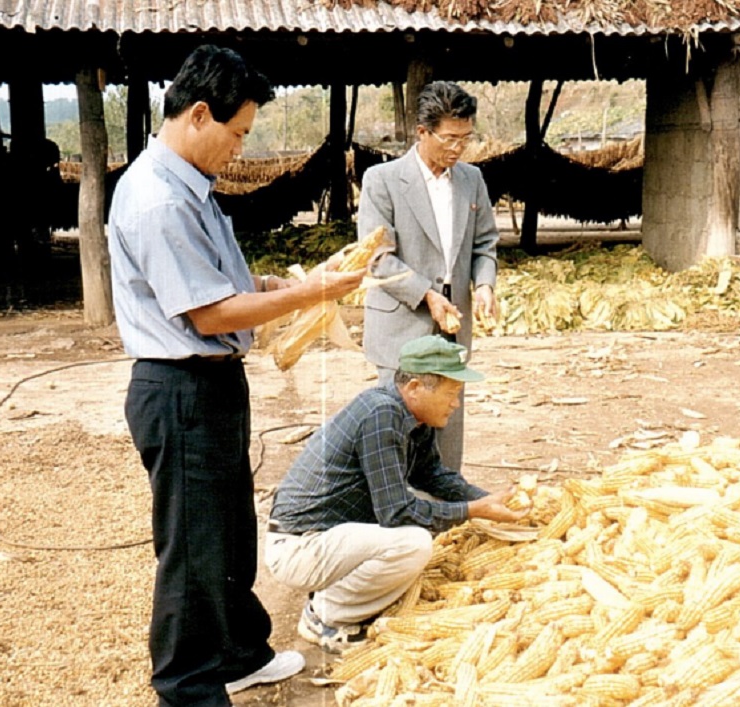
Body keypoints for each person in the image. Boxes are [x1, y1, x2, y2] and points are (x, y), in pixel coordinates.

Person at [107, 44, 365, 707]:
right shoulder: (157, 198)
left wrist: (269, 284)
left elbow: (219, 283)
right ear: (199, 115)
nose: (240, 148)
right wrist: (311, 294)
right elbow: (212, 310)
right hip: (178, 388)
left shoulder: (189, 188)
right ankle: (187, 686)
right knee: (193, 548)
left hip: (214, 384)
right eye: (239, 132)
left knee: (227, 529)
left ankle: (239, 653)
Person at [265, 335, 525, 654]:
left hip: (329, 538)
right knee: (413, 543)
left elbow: (432, 475)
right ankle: (324, 616)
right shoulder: (381, 414)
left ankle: (336, 597)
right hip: (298, 546)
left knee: (426, 516)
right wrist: (474, 510)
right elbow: (396, 512)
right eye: (451, 393)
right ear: (415, 388)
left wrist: (487, 498)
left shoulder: (414, 417)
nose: (456, 403)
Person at [357, 80, 500, 473]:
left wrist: (484, 284)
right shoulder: (382, 181)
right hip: (403, 329)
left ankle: (448, 517)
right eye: (449, 139)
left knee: (447, 425)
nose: (457, 149)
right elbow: (377, 258)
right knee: (398, 427)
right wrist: (427, 296)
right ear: (422, 132)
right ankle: (399, 519)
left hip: (451, 331)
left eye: (465, 139)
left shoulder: (471, 180)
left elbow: (485, 242)